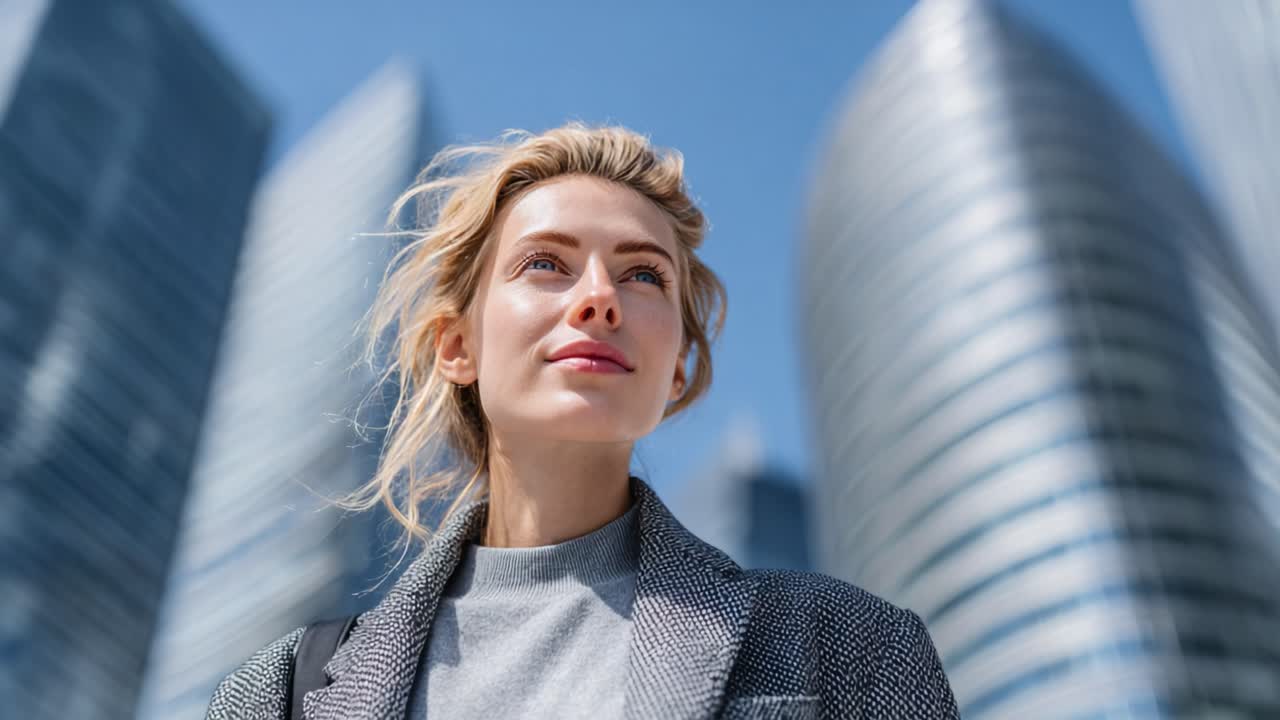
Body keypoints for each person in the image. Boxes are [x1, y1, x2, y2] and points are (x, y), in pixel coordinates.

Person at [204, 123, 959, 719]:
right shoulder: (278, 697)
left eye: (642, 274)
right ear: (458, 346)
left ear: (679, 371)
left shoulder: (850, 645)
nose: (600, 298)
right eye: (545, 264)